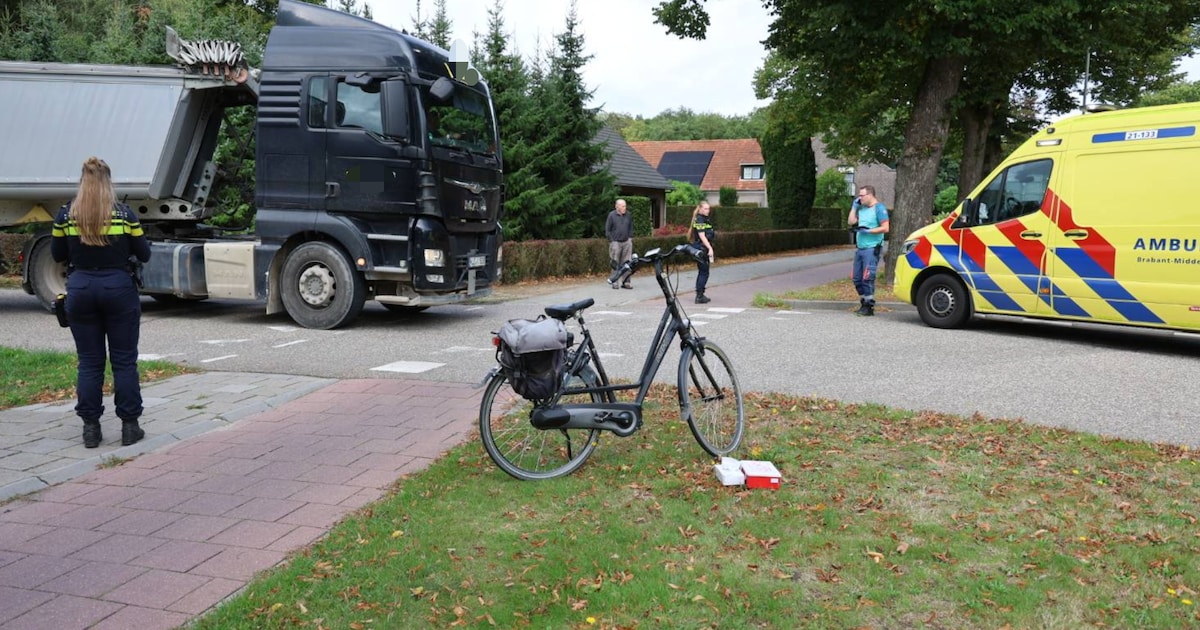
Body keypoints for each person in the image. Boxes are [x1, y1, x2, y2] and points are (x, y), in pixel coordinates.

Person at [51, 157, 152, 448]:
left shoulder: (65, 216)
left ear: (83, 181)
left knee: (90, 363)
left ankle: (91, 429)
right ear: (108, 182)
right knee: (123, 361)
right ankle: (130, 427)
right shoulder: (124, 215)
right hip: (119, 289)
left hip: (81, 289)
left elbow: (58, 255)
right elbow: (143, 254)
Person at [847, 185, 890, 316]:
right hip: (860, 248)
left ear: (870, 195)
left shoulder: (879, 208)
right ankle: (864, 300)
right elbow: (851, 221)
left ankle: (869, 305)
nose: (860, 198)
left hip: (872, 248)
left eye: (862, 195)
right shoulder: (862, 209)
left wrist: (868, 231)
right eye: (859, 195)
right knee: (856, 278)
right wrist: (854, 207)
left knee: (867, 277)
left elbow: (885, 228)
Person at [690, 200, 715, 304]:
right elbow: (702, 236)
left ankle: (700, 294)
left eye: (708, 208)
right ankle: (699, 296)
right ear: (700, 209)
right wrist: (710, 248)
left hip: (701, 247)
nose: (707, 210)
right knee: (704, 272)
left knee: (703, 272)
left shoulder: (703, 219)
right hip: (701, 248)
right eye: (705, 208)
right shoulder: (700, 220)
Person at [606, 198, 634, 289]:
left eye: (625, 206)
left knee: (627, 263)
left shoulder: (628, 215)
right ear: (617, 206)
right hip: (616, 242)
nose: (624, 208)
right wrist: (612, 241)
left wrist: (630, 238)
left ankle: (626, 282)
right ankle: (614, 282)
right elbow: (608, 229)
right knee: (615, 263)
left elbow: (631, 227)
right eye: (622, 206)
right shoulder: (611, 215)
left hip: (627, 242)